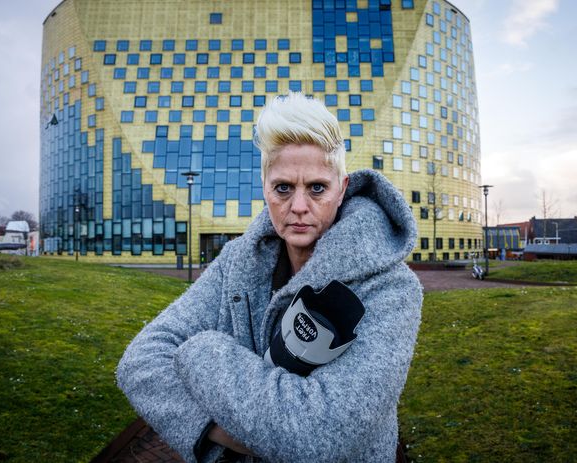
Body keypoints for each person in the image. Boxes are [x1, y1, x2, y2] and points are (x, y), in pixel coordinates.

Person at [117, 92, 423, 463]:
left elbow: (317, 436)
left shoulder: (391, 289)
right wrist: (220, 433)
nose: (299, 207)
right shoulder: (238, 261)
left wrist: (201, 352)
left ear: (341, 189)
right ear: (265, 187)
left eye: (317, 188)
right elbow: (141, 361)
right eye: (283, 188)